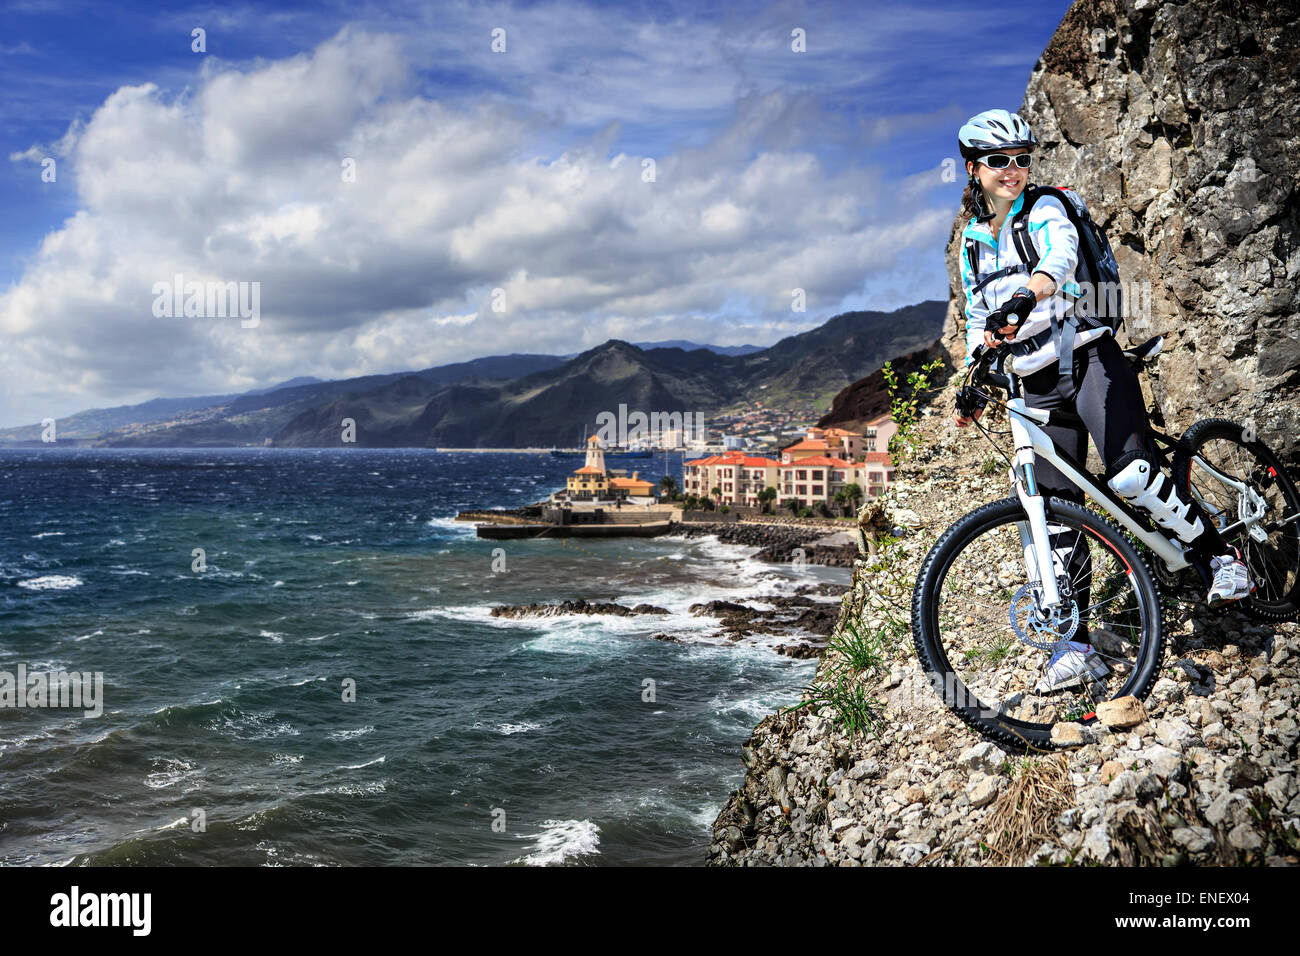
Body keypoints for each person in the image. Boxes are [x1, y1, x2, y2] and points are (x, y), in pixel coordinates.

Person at [950, 108, 1254, 691]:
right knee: (1055, 516)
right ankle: (1075, 645)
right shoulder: (972, 244)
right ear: (973, 170)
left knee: (1133, 475)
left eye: (1021, 159)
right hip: (1032, 385)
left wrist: (1025, 298)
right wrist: (970, 378)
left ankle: (1221, 558)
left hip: (1087, 358)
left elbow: (1060, 259)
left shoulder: (1045, 208)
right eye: (998, 161)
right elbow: (973, 318)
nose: (1012, 170)